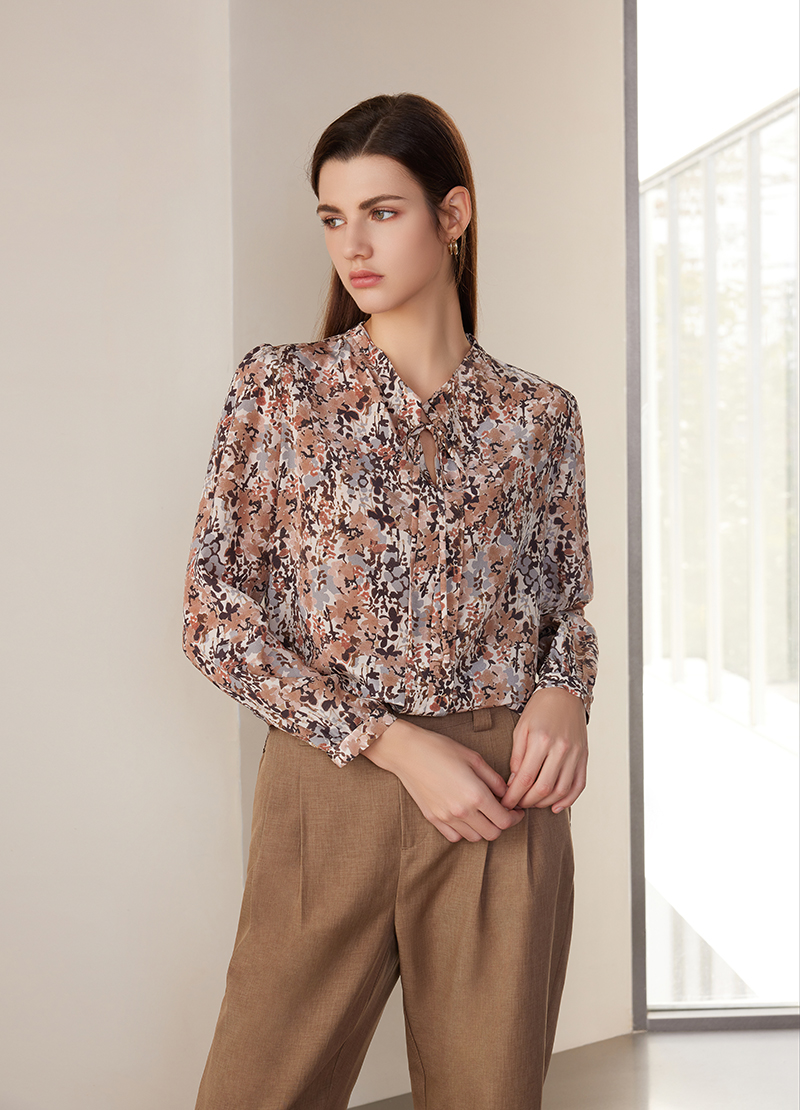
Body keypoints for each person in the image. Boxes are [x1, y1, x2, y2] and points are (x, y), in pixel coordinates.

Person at [183, 92, 597, 1110]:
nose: (352, 246)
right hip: (331, 787)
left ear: (452, 215)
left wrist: (565, 694)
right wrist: (390, 742)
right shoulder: (280, 392)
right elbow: (214, 616)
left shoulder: (538, 415)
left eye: (381, 211)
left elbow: (564, 609)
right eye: (333, 218)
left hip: (502, 796)